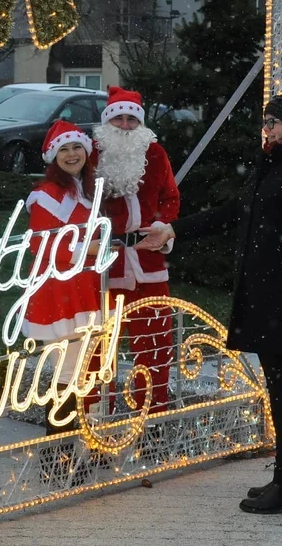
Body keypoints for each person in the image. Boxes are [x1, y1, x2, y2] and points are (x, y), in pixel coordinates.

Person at [137, 91, 282, 515]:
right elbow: (234, 211)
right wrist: (173, 230)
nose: (266, 129)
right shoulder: (273, 165)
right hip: (266, 295)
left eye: (274, 122)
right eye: (264, 122)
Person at [24, 119, 105, 482]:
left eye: (77, 148)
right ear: (53, 156)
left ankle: (66, 457)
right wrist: (87, 250)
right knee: (67, 378)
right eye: (64, 149)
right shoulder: (46, 195)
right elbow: (41, 243)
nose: (71, 155)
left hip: (79, 288)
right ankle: (57, 462)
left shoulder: (82, 191)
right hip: (59, 292)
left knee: (75, 377)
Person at [91, 86, 180, 415]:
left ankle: (153, 419)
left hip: (148, 264)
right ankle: (99, 418)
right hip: (104, 266)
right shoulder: (90, 155)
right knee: (99, 349)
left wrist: (161, 227)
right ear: (107, 123)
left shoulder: (155, 153)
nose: (126, 126)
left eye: (132, 119)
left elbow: (170, 198)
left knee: (156, 346)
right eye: (118, 119)